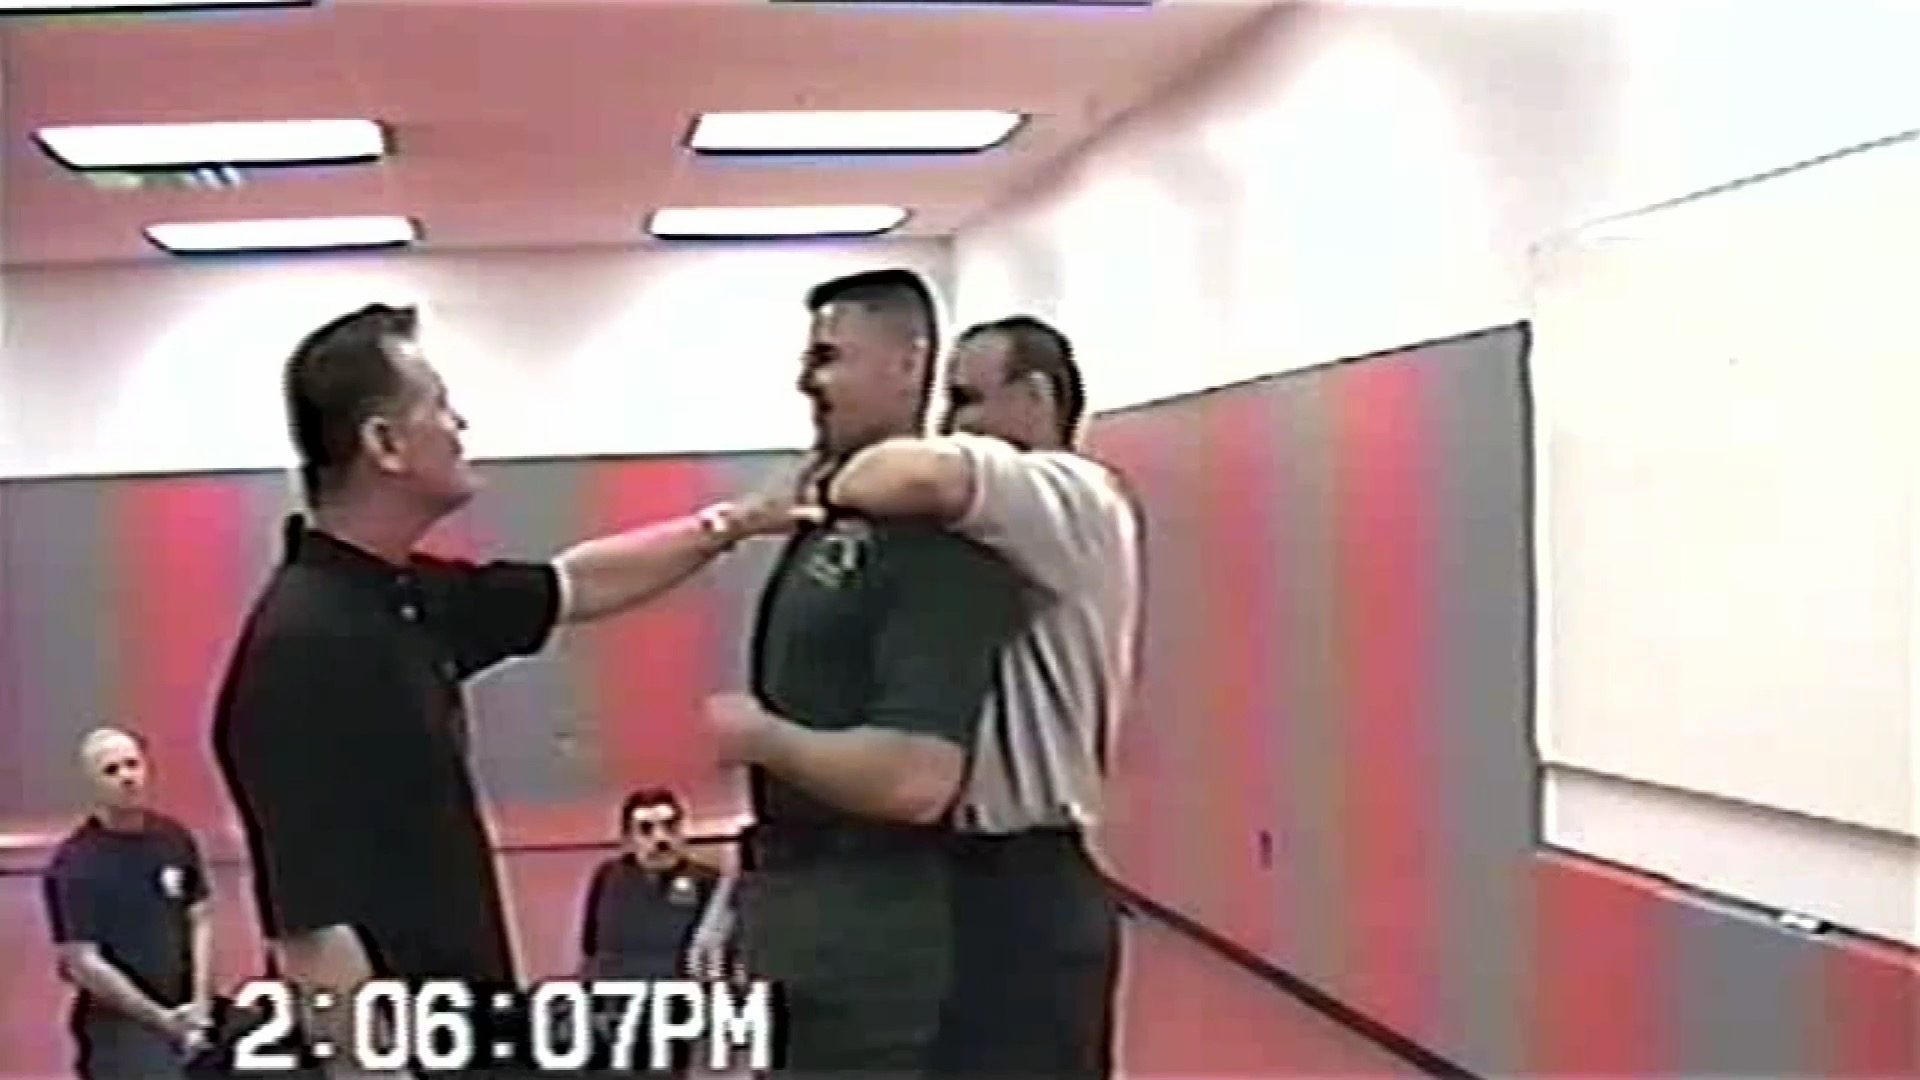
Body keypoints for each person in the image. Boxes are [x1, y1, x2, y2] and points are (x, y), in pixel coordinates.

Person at [208, 303, 807, 1075]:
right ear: (385, 444)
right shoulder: (304, 647)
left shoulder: (398, 599)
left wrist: (736, 522)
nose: (460, 424)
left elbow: (575, 585)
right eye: (439, 405)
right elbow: (312, 936)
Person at [698, 269, 1032, 1077]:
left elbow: (918, 779)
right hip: (791, 894)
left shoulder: (940, 550)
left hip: (868, 924)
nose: (806, 381)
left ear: (907, 363)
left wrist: (763, 737)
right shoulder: (831, 517)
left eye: (828, 357)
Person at [827, 315, 1142, 1079]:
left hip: (1026, 883)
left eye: (966, 399)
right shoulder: (1003, 531)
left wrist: (821, 484)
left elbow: (892, 477)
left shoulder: (1069, 492)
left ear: (1034, 397)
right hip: (955, 881)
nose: (949, 424)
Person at [42, 728, 216, 1080]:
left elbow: (200, 917)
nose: (126, 777)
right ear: (93, 783)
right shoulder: (76, 864)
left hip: (186, 1005)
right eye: (112, 770)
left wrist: (201, 1004)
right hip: (122, 1021)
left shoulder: (173, 838)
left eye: (132, 764)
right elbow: (83, 961)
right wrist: (160, 1020)